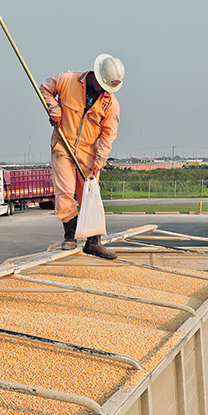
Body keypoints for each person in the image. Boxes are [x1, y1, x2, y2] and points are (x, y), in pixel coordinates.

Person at [40, 54, 124, 260]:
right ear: (96, 75)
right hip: (63, 144)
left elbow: (108, 134)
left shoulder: (110, 103)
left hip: (88, 153)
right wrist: (54, 107)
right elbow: (44, 89)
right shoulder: (68, 80)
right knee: (65, 191)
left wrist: (100, 161)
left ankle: (94, 242)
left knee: (90, 195)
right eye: (104, 86)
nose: (105, 91)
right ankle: (70, 235)